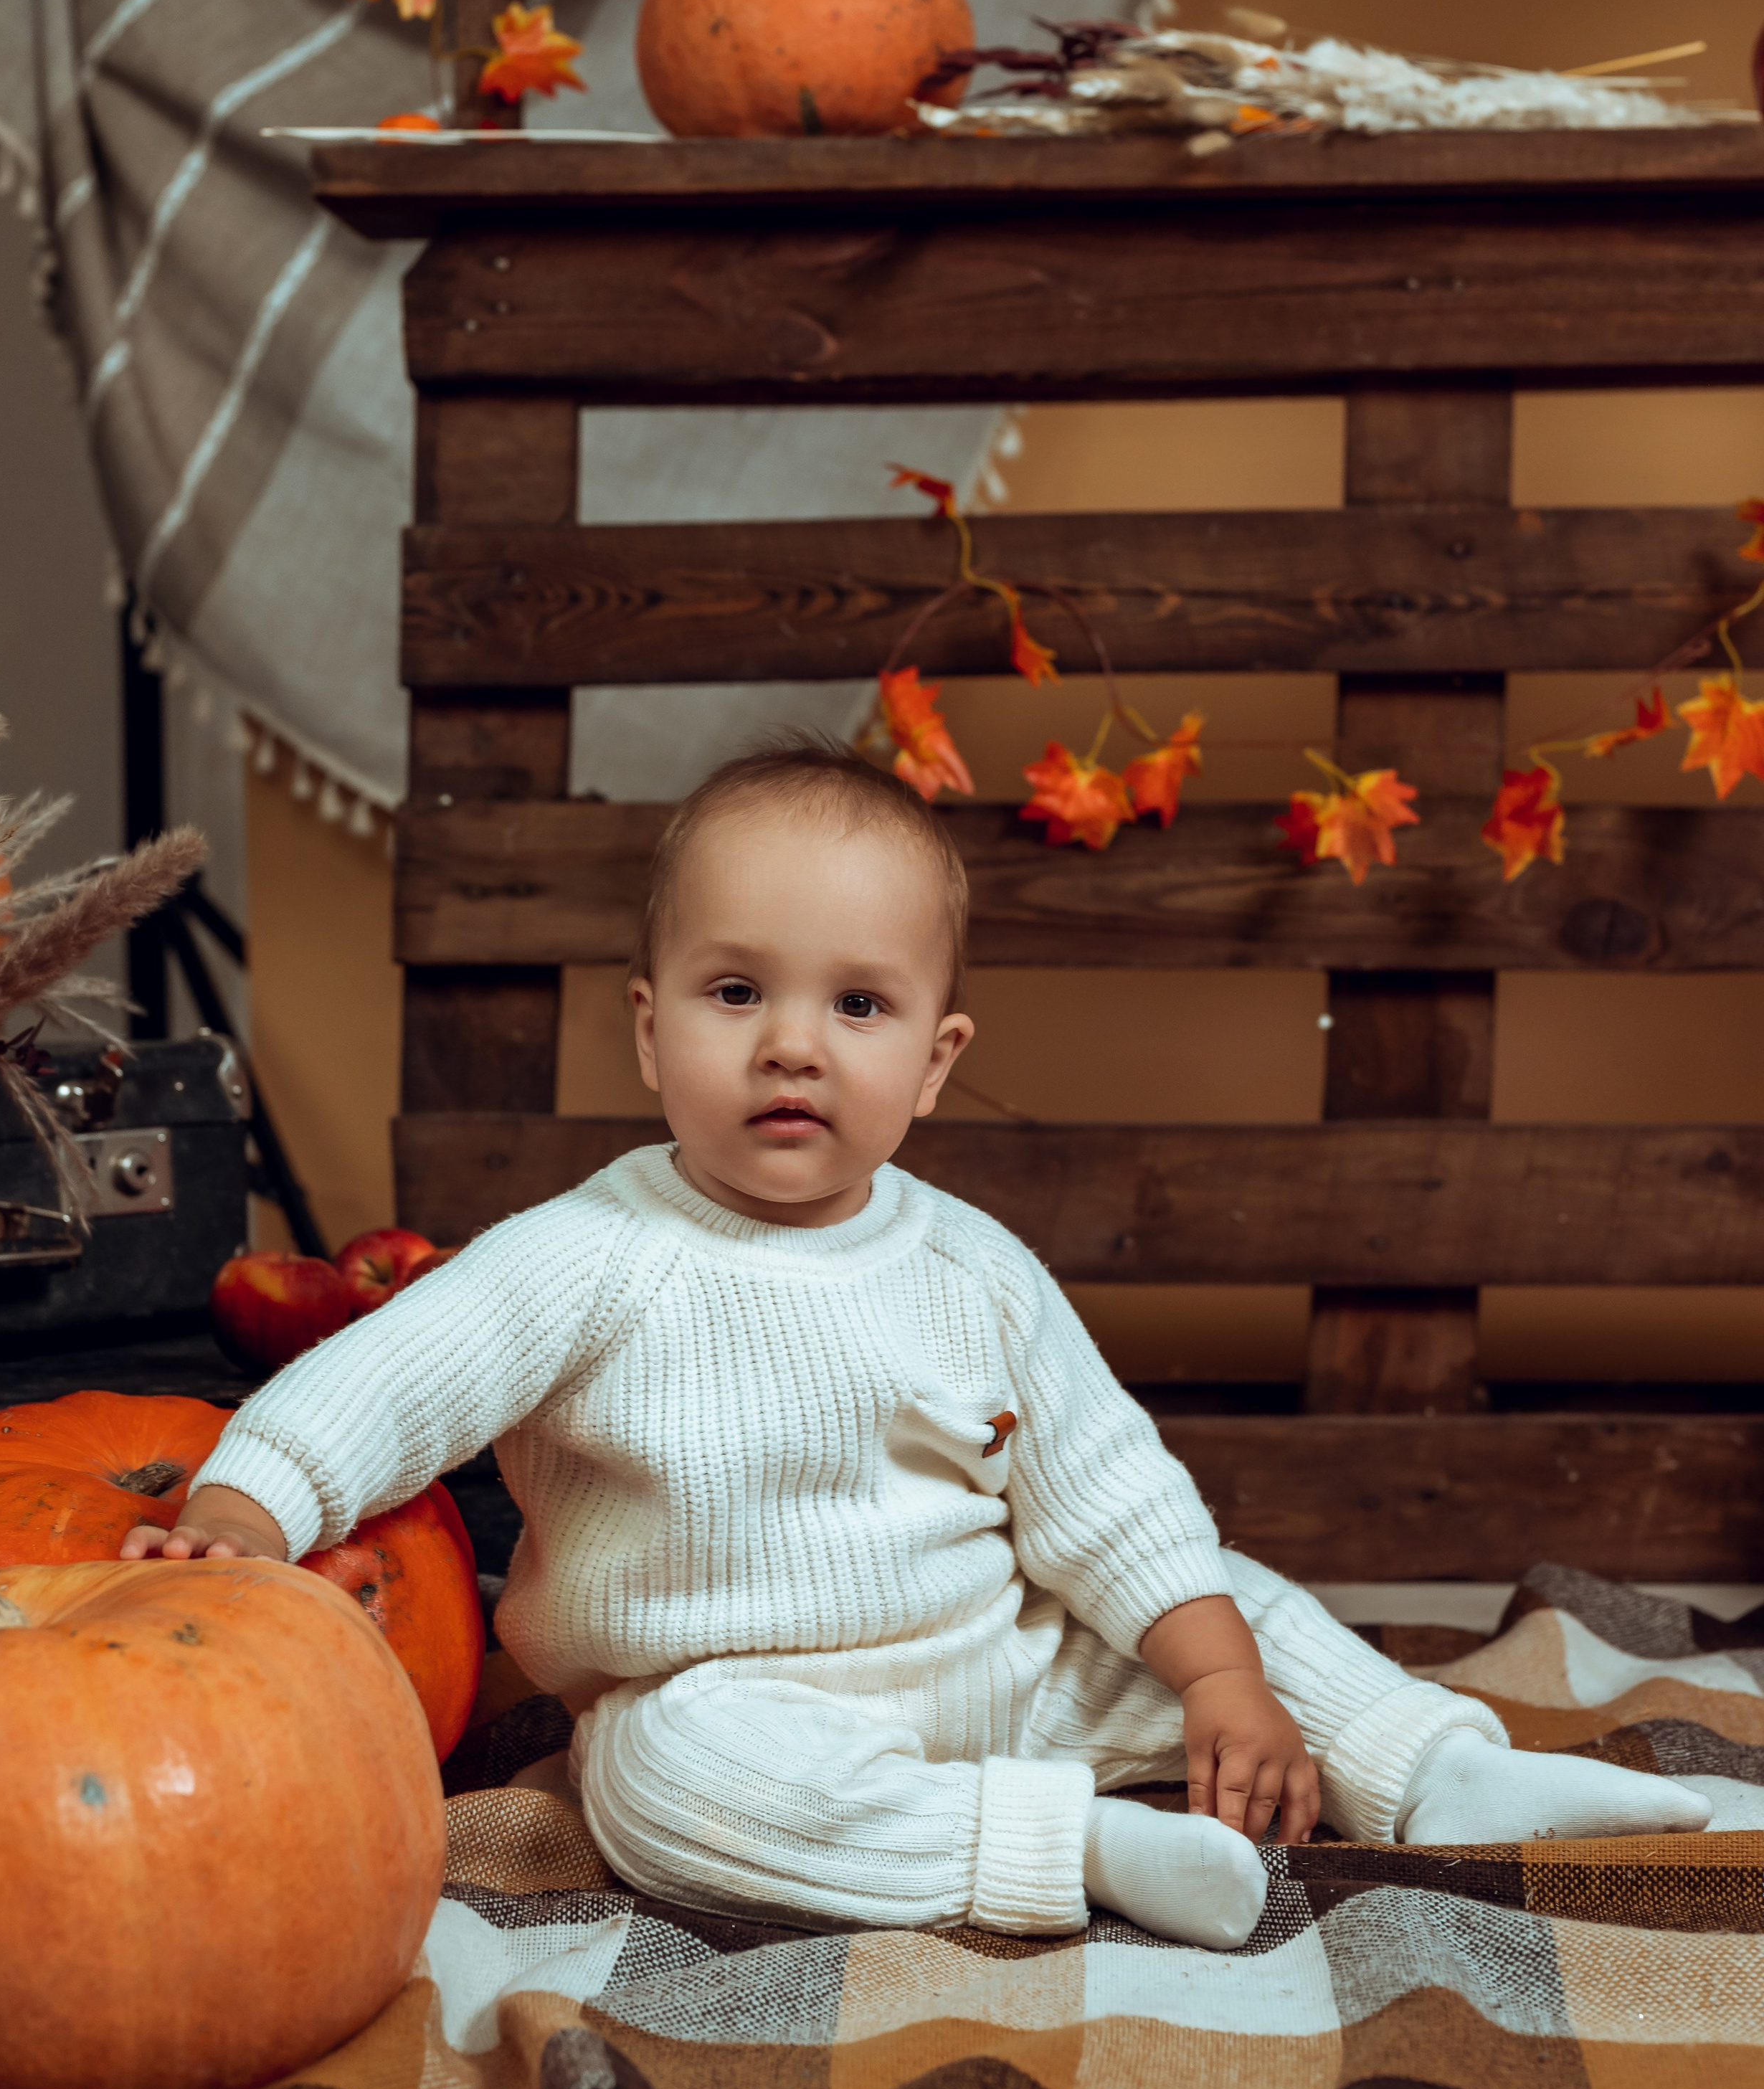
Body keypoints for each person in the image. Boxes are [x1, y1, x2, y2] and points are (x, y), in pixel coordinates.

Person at [126, 742, 1709, 1945]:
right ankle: (1069, 1849)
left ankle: (1436, 1769)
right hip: (742, 1700)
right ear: (649, 1027)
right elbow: (386, 1381)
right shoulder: (584, 1257)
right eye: (735, 991)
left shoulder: (971, 1268)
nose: (791, 1045)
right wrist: (244, 1512)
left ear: (935, 1062)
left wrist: (1217, 1674)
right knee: (661, 1790)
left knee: (1227, 1610)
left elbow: (1109, 1497)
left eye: (858, 1007)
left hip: (1003, 1664)